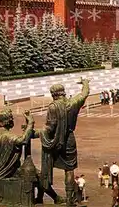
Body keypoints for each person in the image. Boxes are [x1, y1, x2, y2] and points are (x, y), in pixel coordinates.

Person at [36, 78, 90, 206]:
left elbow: (50, 127)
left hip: (54, 141)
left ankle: (40, 196)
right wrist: (85, 82)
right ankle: (70, 200)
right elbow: (85, 93)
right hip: (70, 140)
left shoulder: (53, 107)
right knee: (69, 170)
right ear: (64, 93)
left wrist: (37, 132)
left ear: (54, 95)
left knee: (46, 167)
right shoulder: (73, 102)